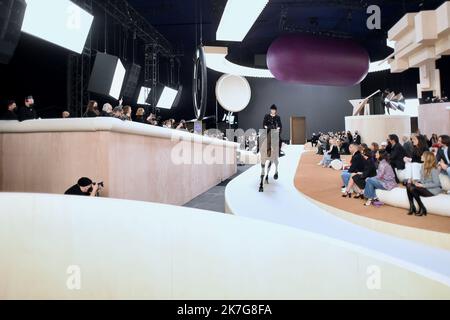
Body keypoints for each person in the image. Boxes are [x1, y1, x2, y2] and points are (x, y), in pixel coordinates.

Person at [406, 151, 442, 216]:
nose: (421, 156)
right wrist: (415, 181)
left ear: (427, 158)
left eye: (422, 155)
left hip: (433, 189)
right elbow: (422, 180)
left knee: (412, 189)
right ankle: (412, 206)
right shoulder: (423, 166)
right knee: (408, 185)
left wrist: (422, 185)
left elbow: (437, 183)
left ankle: (422, 207)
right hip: (425, 186)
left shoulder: (434, 169)